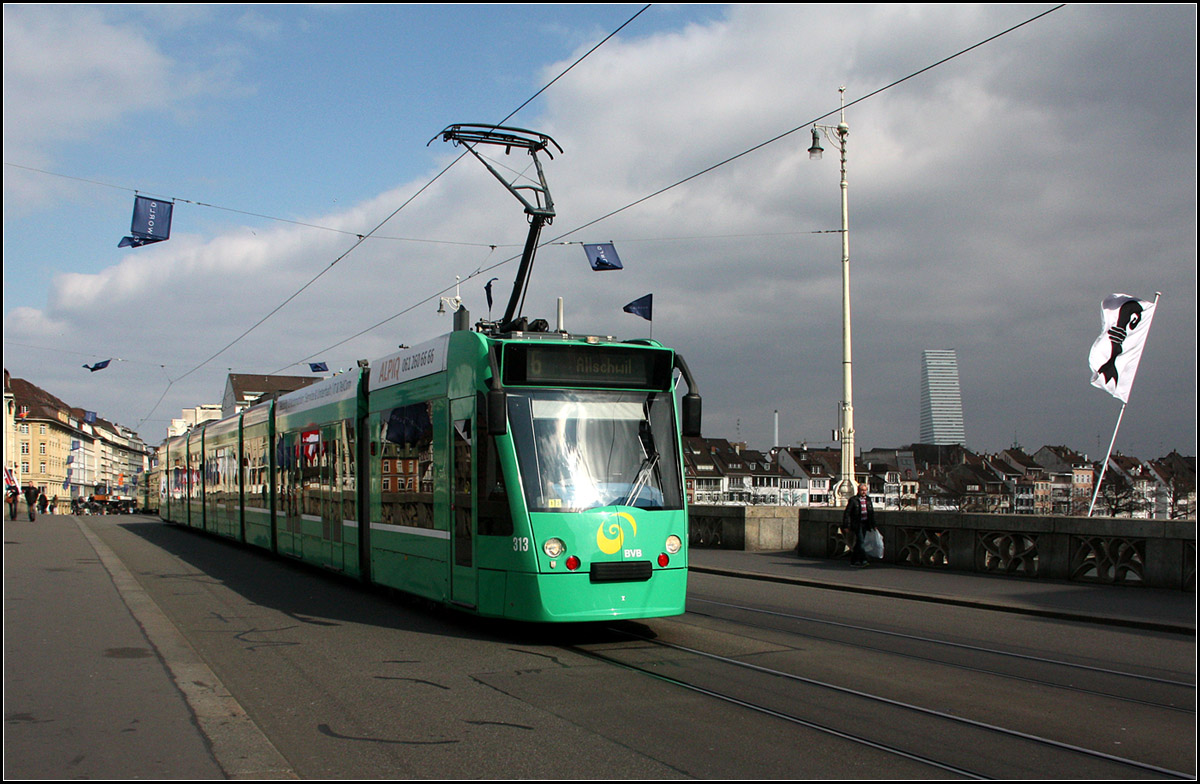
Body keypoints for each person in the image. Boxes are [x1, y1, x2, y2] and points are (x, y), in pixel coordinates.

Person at [842, 482, 876, 568]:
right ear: (858, 490)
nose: (864, 492)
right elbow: (847, 513)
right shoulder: (854, 500)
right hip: (857, 524)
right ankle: (863, 560)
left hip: (866, 523)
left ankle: (854, 560)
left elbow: (871, 513)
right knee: (861, 542)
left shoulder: (868, 500)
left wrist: (873, 524)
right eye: (862, 490)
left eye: (865, 490)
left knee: (858, 543)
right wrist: (846, 525)